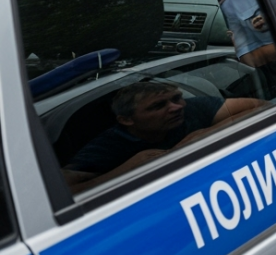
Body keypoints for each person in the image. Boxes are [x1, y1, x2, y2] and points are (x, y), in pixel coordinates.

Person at [62, 81, 264, 192]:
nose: (175, 107)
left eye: (177, 98)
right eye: (158, 106)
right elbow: (64, 193)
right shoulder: (107, 147)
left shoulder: (191, 109)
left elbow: (260, 107)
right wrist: (126, 170)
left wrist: (200, 136)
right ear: (126, 120)